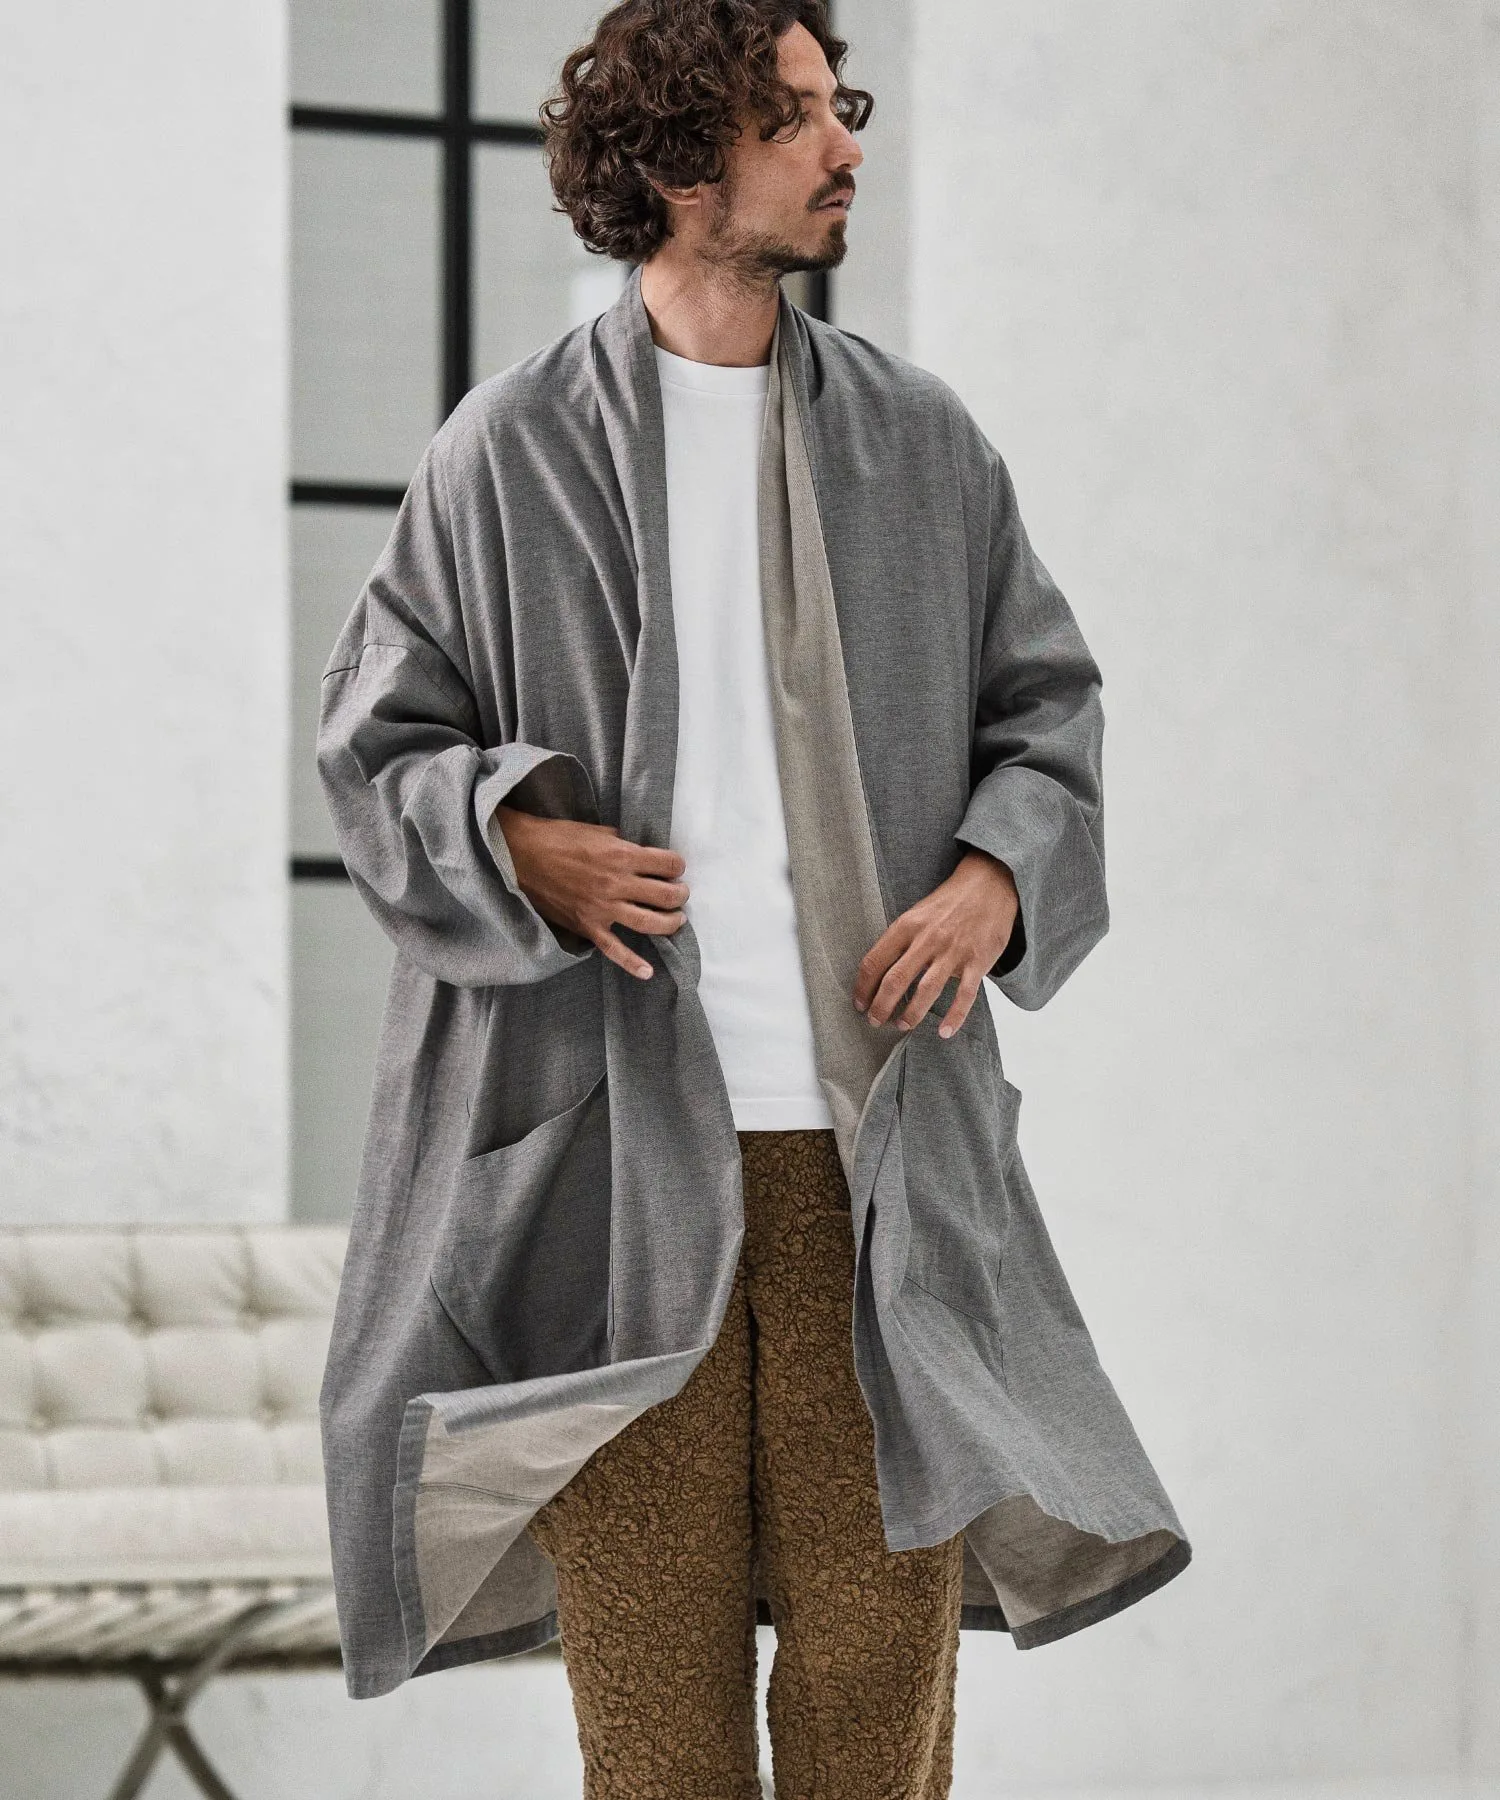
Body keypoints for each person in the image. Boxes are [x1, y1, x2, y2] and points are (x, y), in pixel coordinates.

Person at [314, 2, 1192, 1794]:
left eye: (839, 103)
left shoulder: (920, 444)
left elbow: (1048, 712)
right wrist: (518, 836)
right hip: (609, 1176)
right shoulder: (503, 452)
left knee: (878, 1704)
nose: (846, 144)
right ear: (675, 161)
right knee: (657, 1726)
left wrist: (992, 879)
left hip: (870, 1168)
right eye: (794, 117)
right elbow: (374, 747)